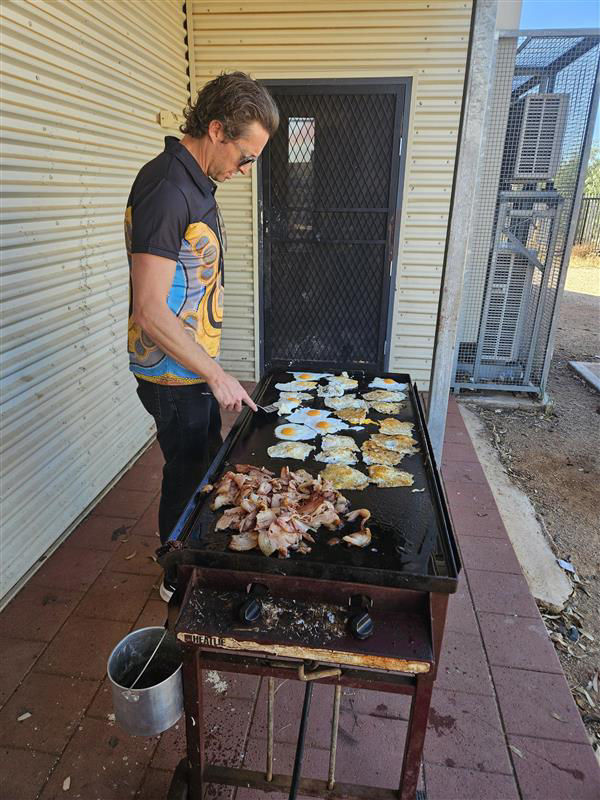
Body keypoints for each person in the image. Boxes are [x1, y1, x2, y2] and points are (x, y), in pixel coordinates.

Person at [125, 72, 279, 570]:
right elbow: (149, 309)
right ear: (216, 129)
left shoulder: (193, 181)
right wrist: (214, 373)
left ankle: (188, 562)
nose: (246, 168)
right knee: (190, 475)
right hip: (173, 374)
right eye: (246, 156)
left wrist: (211, 367)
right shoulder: (168, 188)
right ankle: (176, 574)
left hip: (190, 367)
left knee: (202, 465)